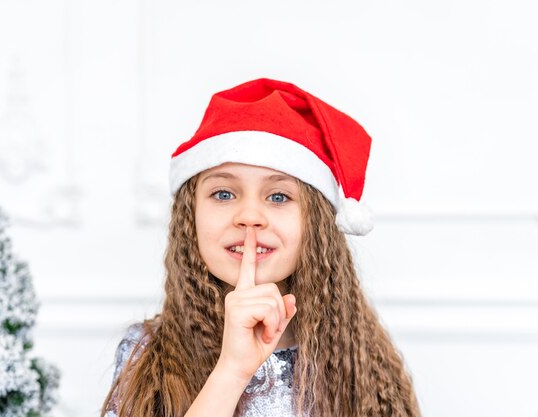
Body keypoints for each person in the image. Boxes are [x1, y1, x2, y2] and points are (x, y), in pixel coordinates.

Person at [101, 78, 421, 417]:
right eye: (224, 194)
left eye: (278, 196)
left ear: (317, 226)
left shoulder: (360, 360)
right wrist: (232, 371)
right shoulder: (147, 352)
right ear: (189, 217)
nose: (250, 216)